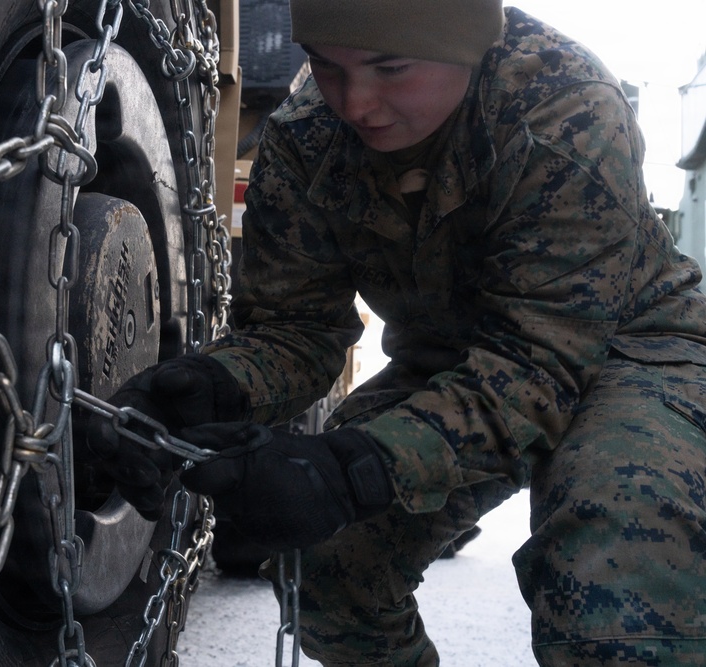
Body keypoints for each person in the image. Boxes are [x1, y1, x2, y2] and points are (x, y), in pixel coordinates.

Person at [88, 1, 706, 664]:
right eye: (327, 65)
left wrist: (353, 469)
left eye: (390, 68)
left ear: (464, 45)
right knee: (330, 561)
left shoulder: (565, 113)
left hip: (628, 352)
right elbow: (296, 327)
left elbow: (538, 365)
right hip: (451, 361)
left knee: (618, 562)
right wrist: (211, 385)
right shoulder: (307, 138)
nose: (356, 102)